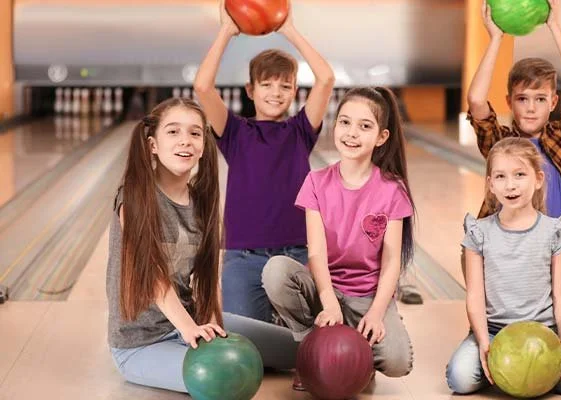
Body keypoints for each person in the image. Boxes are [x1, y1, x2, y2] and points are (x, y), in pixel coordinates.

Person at [107, 98, 298, 393]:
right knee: (225, 375)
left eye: (195, 133)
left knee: (300, 351)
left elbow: (208, 277)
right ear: (152, 144)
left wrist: (211, 325)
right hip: (141, 343)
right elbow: (153, 276)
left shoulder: (200, 201)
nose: (186, 141)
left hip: (192, 324)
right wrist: (189, 330)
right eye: (173, 132)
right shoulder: (134, 198)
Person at [465, 0, 561, 355]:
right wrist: (494, 38)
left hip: (557, 261)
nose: (530, 107)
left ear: (553, 102)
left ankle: (538, 320)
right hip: (506, 263)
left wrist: (555, 26)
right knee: (508, 337)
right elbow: (477, 100)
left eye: (540, 99)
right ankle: (499, 326)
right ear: (510, 101)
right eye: (522, 98)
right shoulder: (501, 143)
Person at [261, 87, 415, 389]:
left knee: (399, 362)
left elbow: (392, 260)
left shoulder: (392, 190)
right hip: (323, 291)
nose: (352, 133)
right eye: (345, 122)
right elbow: (316, 254)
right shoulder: (316, 182)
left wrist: (376, 313)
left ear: (381, 137)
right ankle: (311, 352)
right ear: (335, 124)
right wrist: (329, 302)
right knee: (276, 270)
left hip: (367, 296)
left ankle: (355, 357)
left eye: (365, 126)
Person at [193, 0, 335, 322]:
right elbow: (202, 87)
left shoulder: (300, 131)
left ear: (295, 90)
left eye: (285, 86)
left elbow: (325, 78)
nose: (276, 92)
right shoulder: (235, 132)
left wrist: (288, 30)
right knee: (249, 342)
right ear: (250, 90)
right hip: (243, 259)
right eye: (267, 85)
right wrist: (228, 30)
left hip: (295, 256)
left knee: (298, 347)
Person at [445, 138, 561, 397]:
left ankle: (532, 370)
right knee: (458, 380)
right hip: (494, 332)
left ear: (538, 179)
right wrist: (483, 340)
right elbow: (474, 294)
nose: (511, 184)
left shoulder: (554, 232)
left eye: (520, 175)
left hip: (542, 334)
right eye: (501, 176)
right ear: (490, 185)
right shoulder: (478, 232)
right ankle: (502, 368)